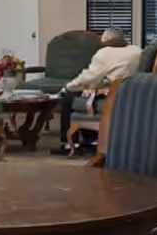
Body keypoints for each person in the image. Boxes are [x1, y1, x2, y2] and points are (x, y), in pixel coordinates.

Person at [50, 28, 141, 156]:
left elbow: (89, 77)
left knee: (69, 98)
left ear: (105, 39)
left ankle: (69, 144)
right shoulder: (137, 50)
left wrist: (67, 87)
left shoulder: (104, 53)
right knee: (83, 95)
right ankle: (91, 140)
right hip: (130, 95)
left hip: (110, 95)